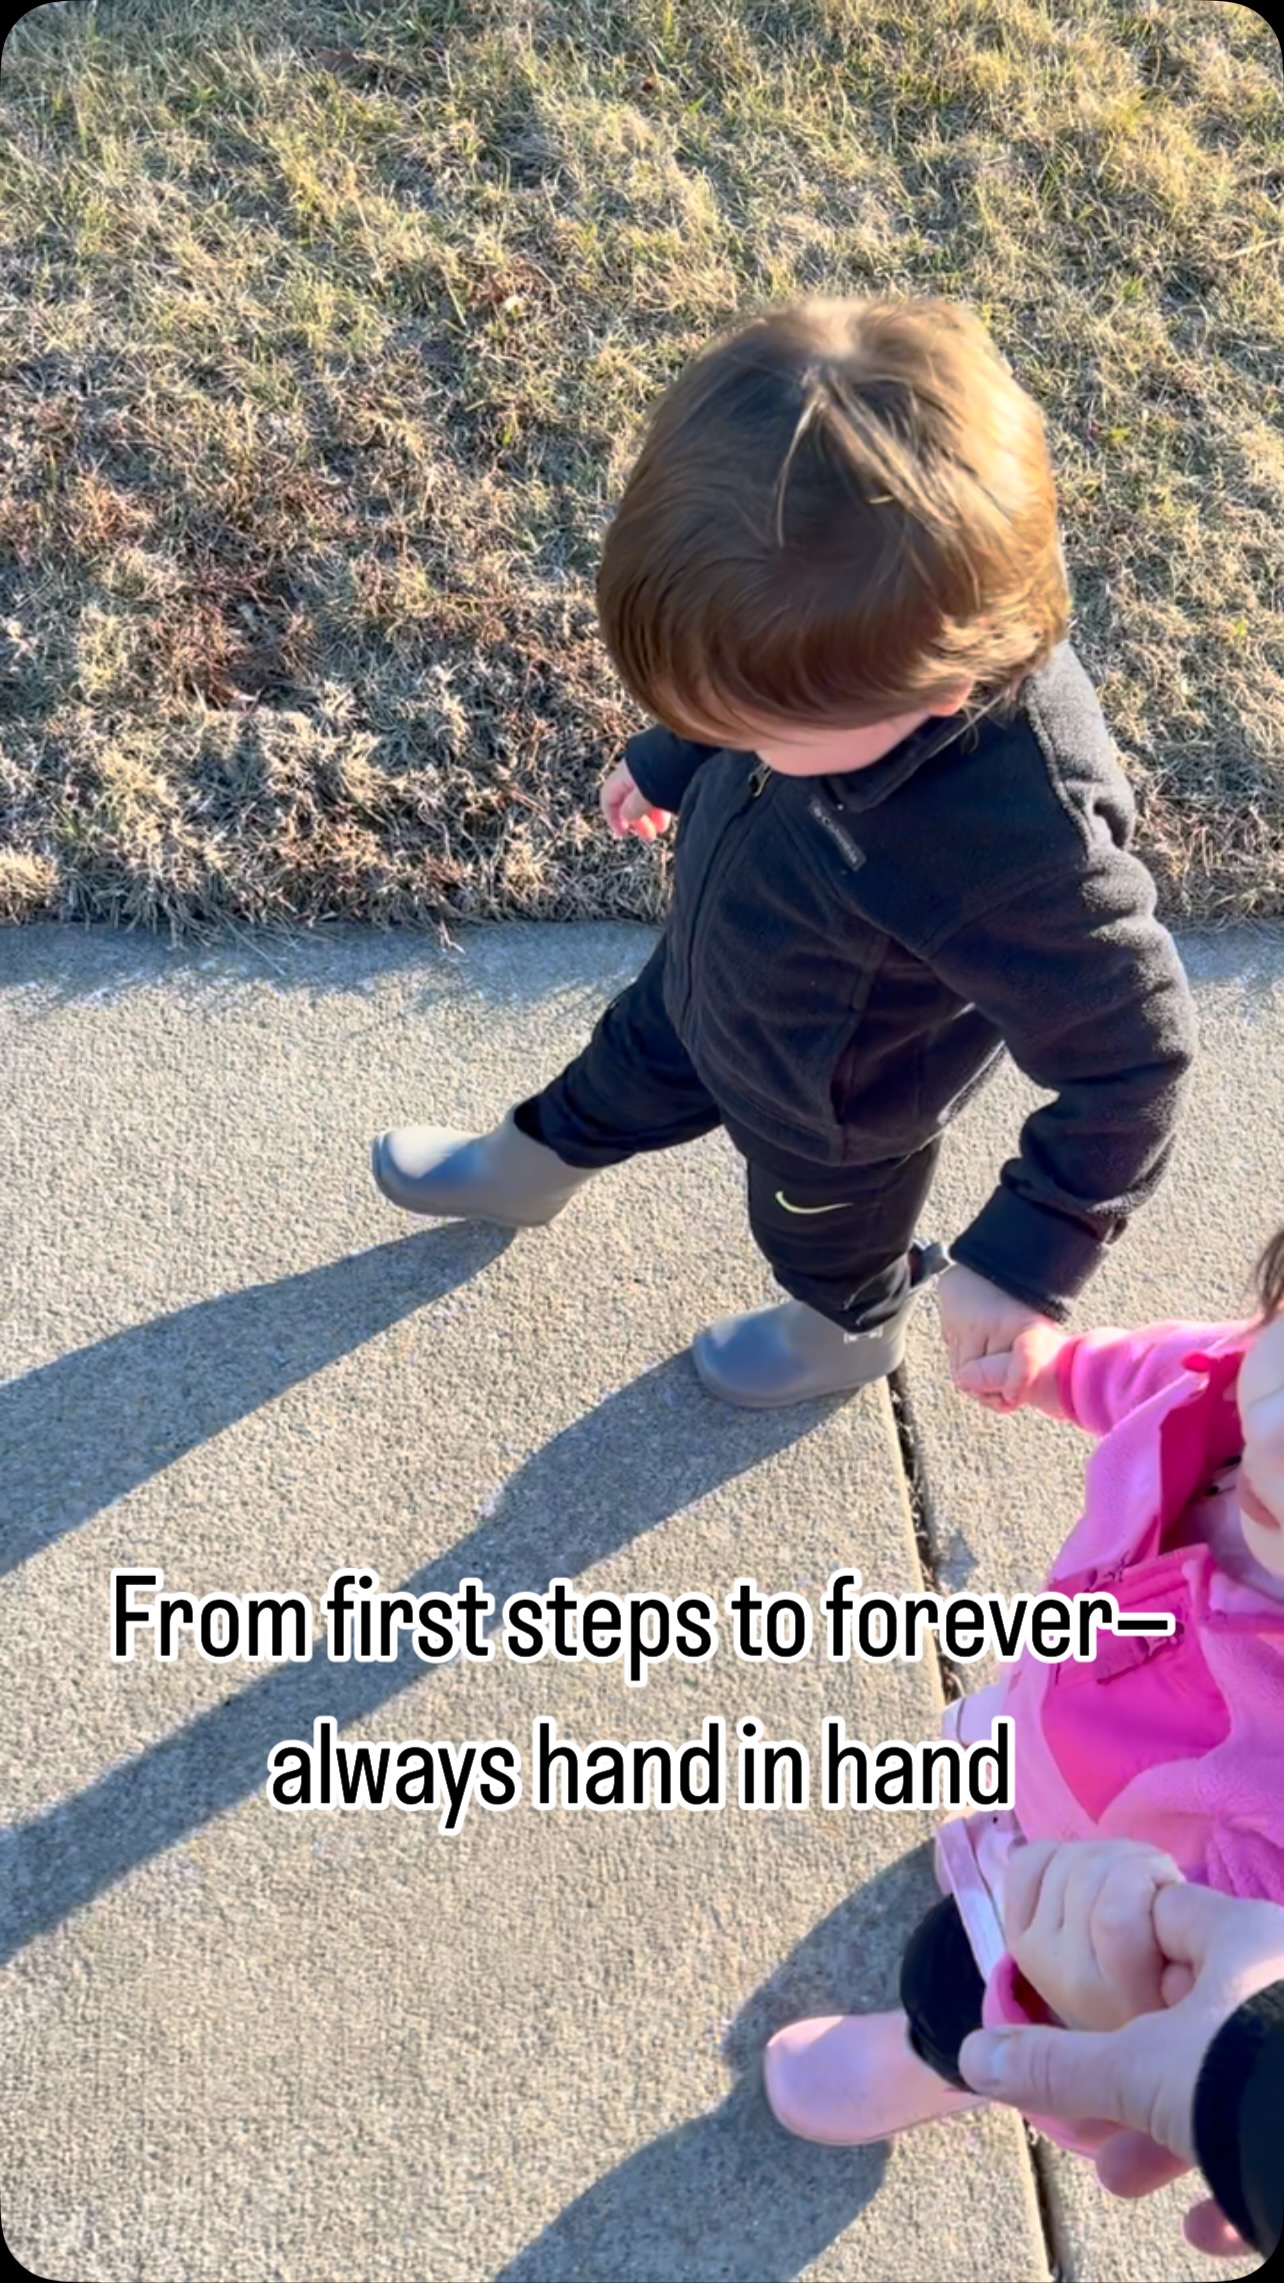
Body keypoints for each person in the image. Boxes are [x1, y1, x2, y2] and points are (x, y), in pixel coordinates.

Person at [370, 295, 1194, 1410]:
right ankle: (528, 1166)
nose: (730, 735)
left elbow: (1131, 1059)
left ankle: (846, 1329)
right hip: (720, 969)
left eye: (752, 726)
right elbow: (758, 674)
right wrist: (675, 755)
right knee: (626, 1060)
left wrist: (1026, 1255)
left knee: (816, 1227)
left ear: (937, 690)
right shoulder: (853, 643)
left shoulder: (1016, 842)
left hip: (834, 1106)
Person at [764, 1227, 1284, 2173]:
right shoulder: (1248, 1389)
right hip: (1082, 1706)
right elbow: (1165, 1376)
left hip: (1078, 1907)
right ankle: (1016, 1782)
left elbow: (1180, 2035)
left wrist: (1057, 2024)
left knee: (951, 1973)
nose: (1281, 1433)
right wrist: (1063, 1370)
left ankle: (937, 2054)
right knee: (1014, 1748)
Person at [959, 1841, 1284, 2262]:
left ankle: (931, 2059)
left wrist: (1069, 2019)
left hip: (1075, 1966)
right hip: (1073, 1870)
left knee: (941, 1990)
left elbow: (1147, 2098)